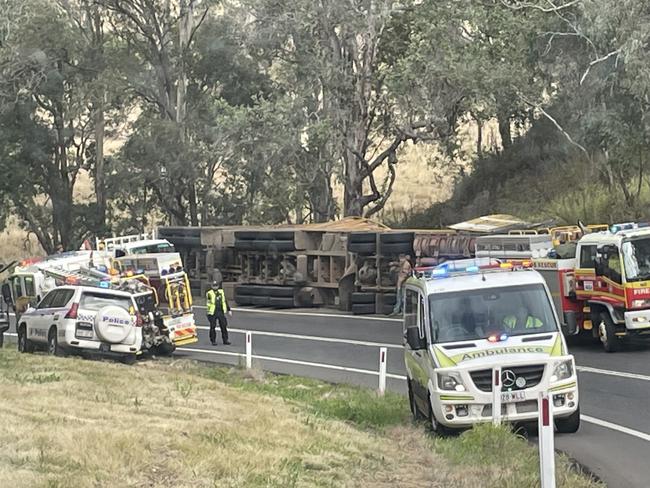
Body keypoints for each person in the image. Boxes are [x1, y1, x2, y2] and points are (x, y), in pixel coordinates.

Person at [206, 281, 232, 345]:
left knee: (224, 325)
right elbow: (210, 300)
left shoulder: (221, 292)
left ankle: (225, 340)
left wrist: (229, 310)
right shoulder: (209, 293)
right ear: (212, 286)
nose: (215, 287)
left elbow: (225, 301)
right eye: (214, 286)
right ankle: (213, 341)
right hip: (212, 312)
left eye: (216, 286)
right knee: (213, 327)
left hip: (220, 311)